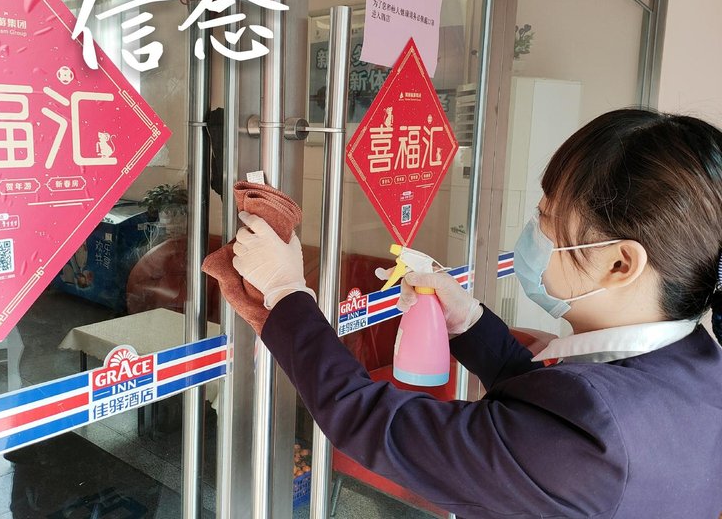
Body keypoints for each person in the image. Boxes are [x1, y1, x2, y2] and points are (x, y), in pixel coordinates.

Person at [226, 109, 722, 518]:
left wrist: (285, 293)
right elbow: (545, 408)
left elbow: (375, 423)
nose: (535, 232)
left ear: (620, 264)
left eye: (548, 219)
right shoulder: (699, 367)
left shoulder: (591, 444)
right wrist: (468, 322)